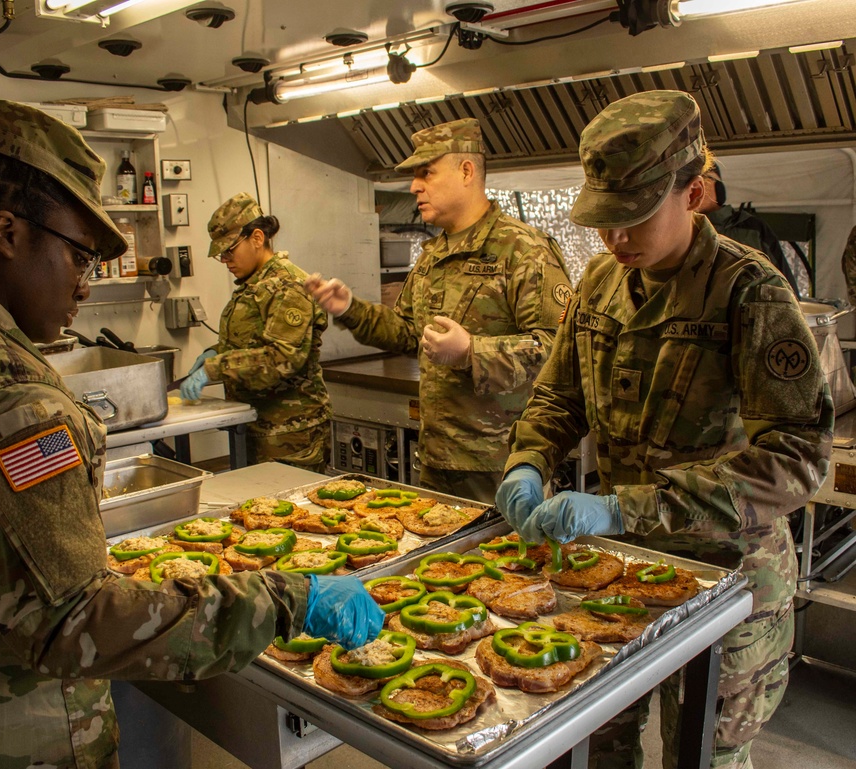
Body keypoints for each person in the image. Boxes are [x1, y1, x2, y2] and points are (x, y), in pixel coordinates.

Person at [0, 99, 382, 768]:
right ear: (7, 232)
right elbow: (75, 619)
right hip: (1, 740)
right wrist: (285, 599)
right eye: (80, 253)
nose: (86, 280)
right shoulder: (3, 391)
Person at [496, 90, 833, 769]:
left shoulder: (748, 293)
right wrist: (527, 460)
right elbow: (558, 396)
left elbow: (798, 458)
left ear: (695, 193)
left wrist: (624, 505)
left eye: (632, 219)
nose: (615, 238)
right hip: (616, 569)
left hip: (726, 576)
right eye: (603, 221)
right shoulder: (598, 283)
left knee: (699, 750)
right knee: (598, 735)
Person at [305, 118, 573, 504]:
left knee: (511, 564)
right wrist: (349, 309)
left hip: (504, 465)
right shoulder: (435, 255)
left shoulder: (524, 249)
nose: (415, 186)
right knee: (441, 564)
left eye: (426, 173)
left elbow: (558, 352)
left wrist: (470, 352)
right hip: (437, 458)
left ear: (466, 171)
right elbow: (407, 332)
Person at [180, 193, 332, 472]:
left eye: (229, 250)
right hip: (258, 426)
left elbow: (281, 359)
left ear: (257, 238)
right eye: (220, 254)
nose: (225, 259)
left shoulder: (287, 285)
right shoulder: (255, 284)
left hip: (290, 434)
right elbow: (251, 341)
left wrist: (215, 368)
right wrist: (218, 350)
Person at [699, 164, 802, 296]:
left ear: (717, 188)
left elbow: (786, 285)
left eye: (704, 179)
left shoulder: (752, 228)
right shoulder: (684, 233)